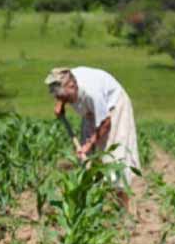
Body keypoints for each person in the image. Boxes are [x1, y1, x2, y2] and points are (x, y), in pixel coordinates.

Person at [45, 67, 140, 210]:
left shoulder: (92, 93)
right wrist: (61, 103)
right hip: (91, 112)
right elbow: (60, 90)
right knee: (87, 160)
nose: (62, 99)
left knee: (114, 159)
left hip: (114, 108)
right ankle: (93, 207)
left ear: (72, 86)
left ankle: (124, 211)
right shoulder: (66, 78)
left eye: (63, 97)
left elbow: (106, 122)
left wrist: (89, 144)